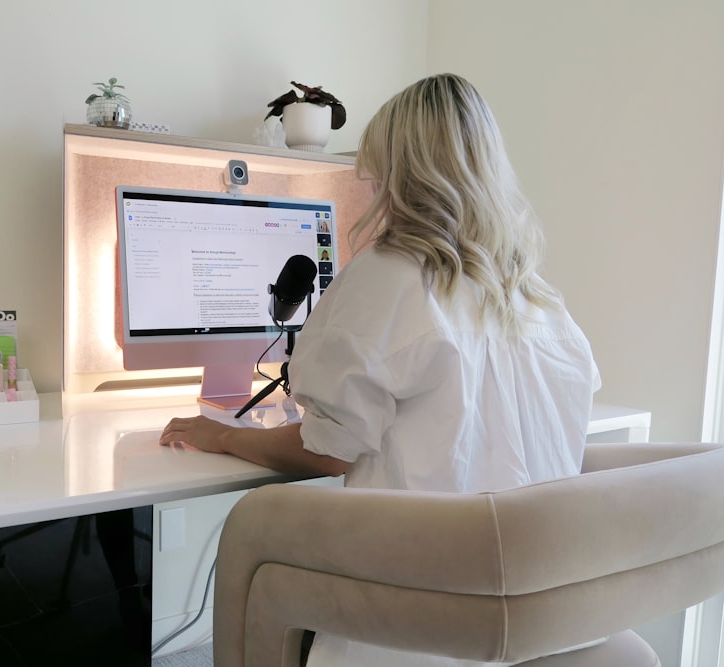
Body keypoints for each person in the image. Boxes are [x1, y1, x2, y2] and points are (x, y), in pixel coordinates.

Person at [160, 73, 600, 667]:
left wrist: (224, 436)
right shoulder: (542, 302)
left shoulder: (389, 277)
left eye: (372, 176)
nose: (368, 192)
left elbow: (328, 452)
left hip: (420, 621)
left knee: (251, 530)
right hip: (539, 623)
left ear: (403, 178)